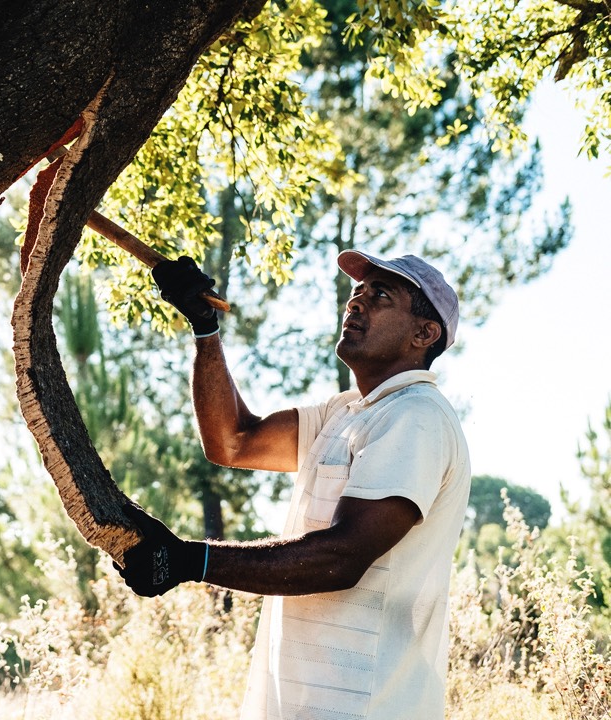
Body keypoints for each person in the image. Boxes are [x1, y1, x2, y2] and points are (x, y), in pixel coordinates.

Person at [116, 250, 471, 720]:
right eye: (357, 293)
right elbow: (233, 442)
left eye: (380, 295)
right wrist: (205, 330)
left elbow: (341, 558)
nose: (356, 303)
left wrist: (192, 560)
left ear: (424, 334)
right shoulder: (344, 413)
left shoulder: (416, 417)